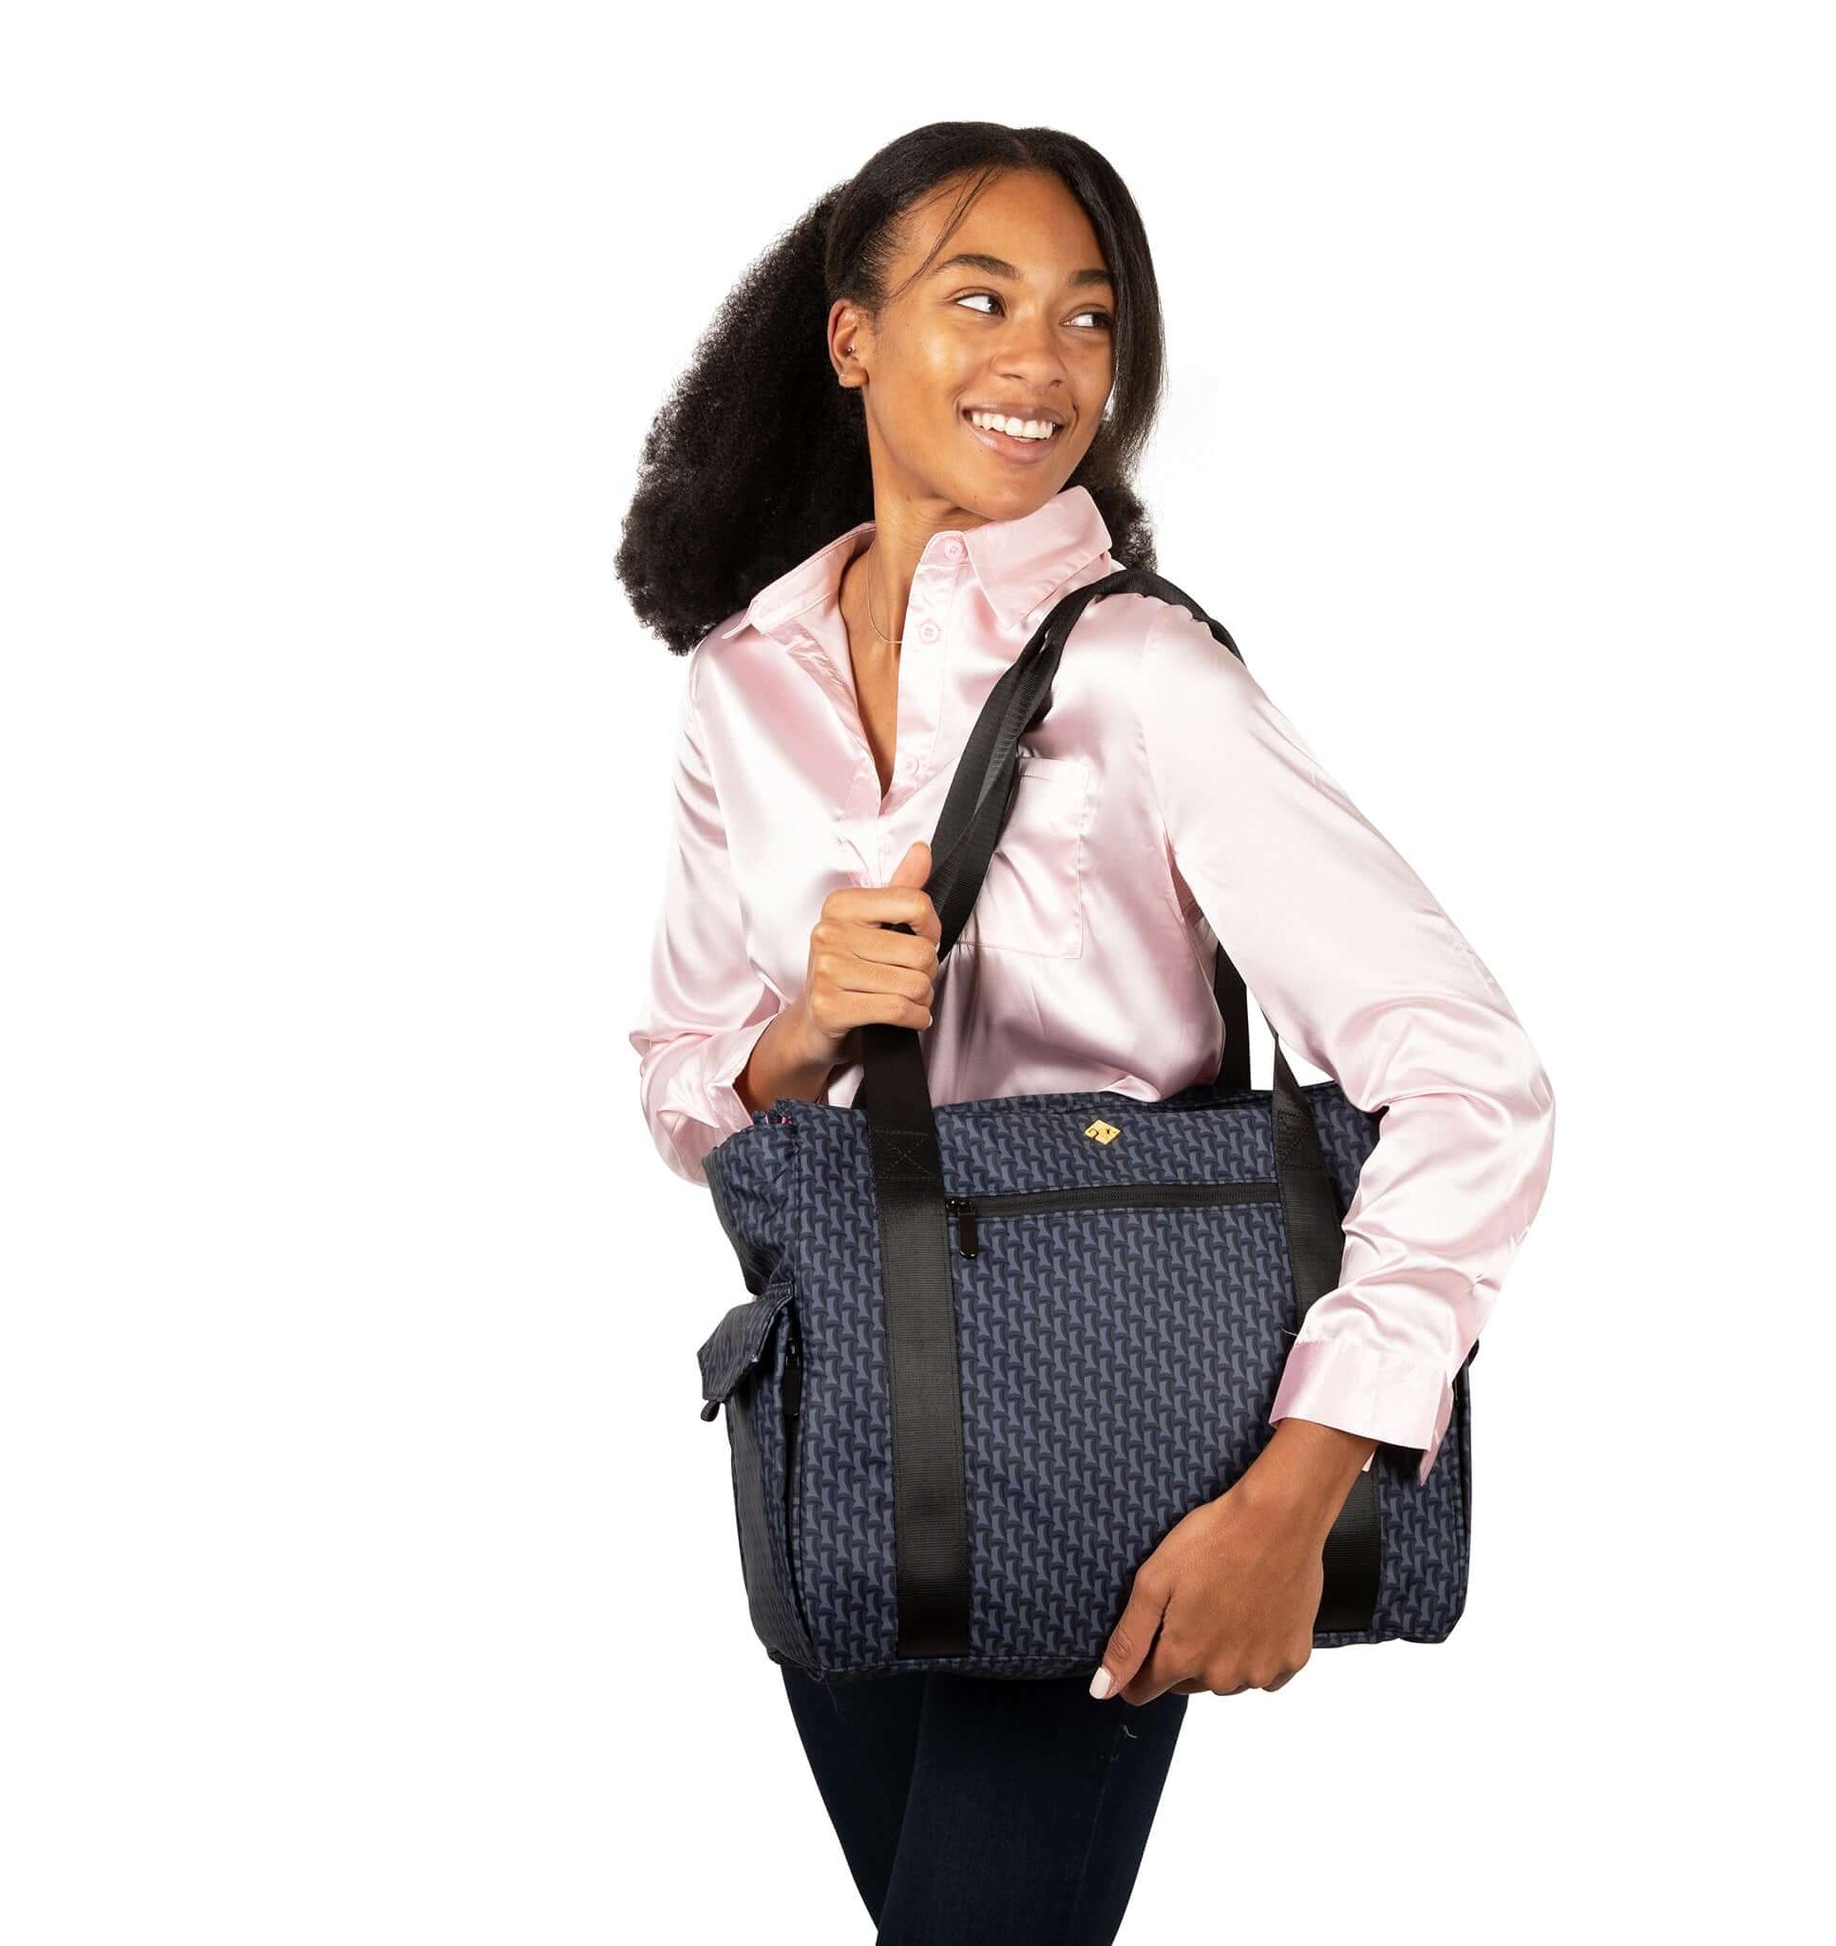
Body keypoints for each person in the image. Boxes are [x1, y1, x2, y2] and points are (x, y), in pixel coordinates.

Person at [619, 123, 1556, 1945]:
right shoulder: (746, 677)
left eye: (1088, 318)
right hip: (852, 1433)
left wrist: (1304, 1481)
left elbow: (1472, 1077)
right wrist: (810, 1022)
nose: (1043, 361)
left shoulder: (1137, 674)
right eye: (980, 299)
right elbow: (682, 1073)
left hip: (1121, 1424)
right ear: (850, 338)